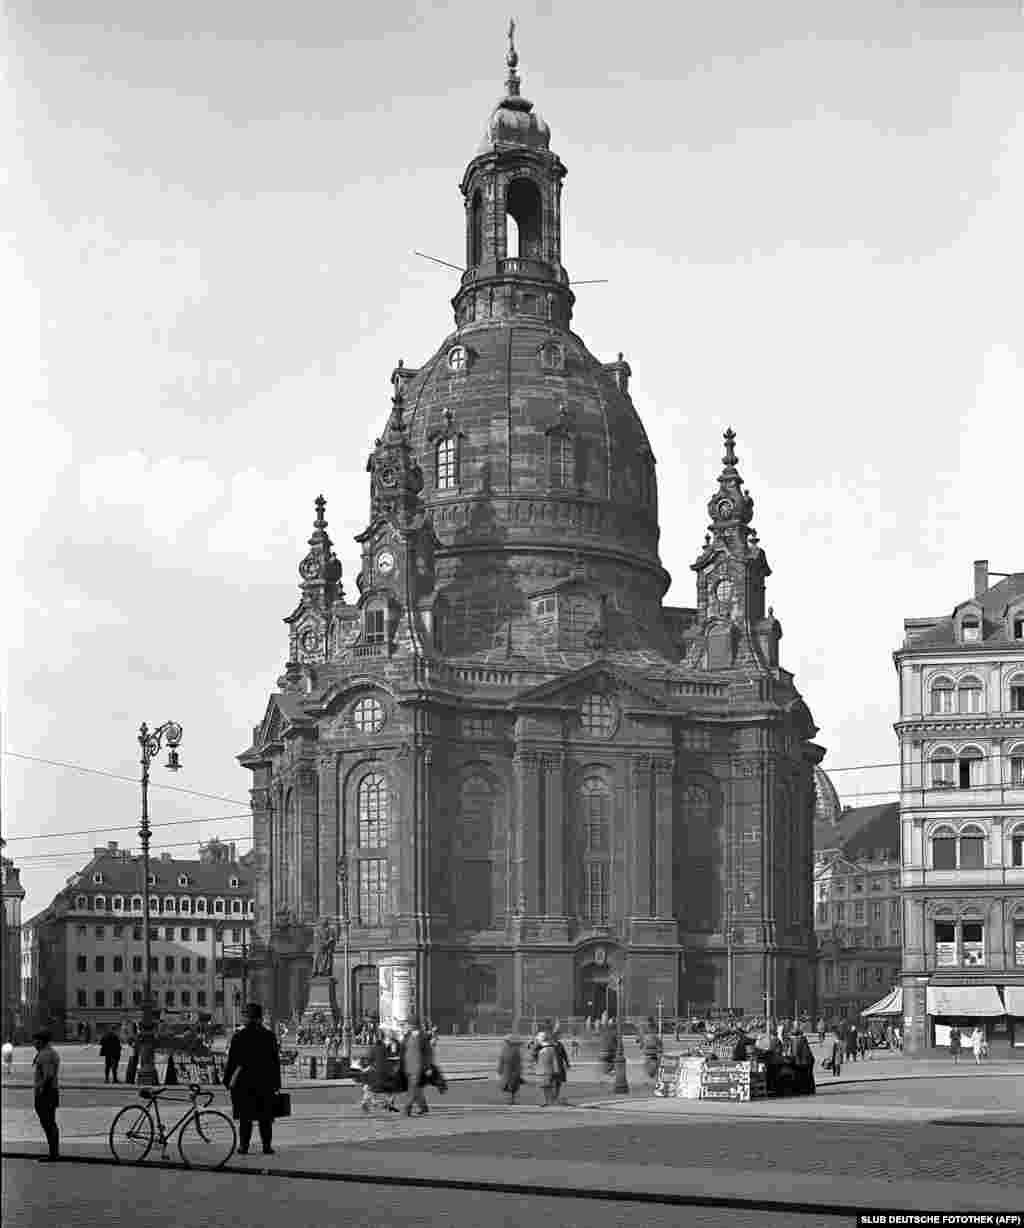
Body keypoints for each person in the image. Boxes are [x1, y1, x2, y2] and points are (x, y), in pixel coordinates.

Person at [223, 1003, 282, 1156]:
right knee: (265, 1118)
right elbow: (275, 1062)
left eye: (244, 1015)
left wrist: (227, 1081)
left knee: (245, 1117)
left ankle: (244, 1146)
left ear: (247, 1017)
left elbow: (232, 1062)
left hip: (245, 1083)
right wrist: (276, 1084)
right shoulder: (269, 1035)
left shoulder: (239, 1036)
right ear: (260, 1018)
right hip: (265, 1082)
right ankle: (267, 1146)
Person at [32, 1029, 60, 1161]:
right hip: (51, 1091)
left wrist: (41, 1089)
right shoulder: (50, 1052)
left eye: (35, 1041)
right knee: (50, 1123)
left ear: (41, 1041)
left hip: (46, 1093)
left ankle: (53, 1154)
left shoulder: (45, 1055)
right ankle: (53, 1152)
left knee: (48, 1123)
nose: (34, 1044)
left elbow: (48, 1075)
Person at [400, 1018, 432, 1116]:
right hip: (408, 1066)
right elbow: (402, 1050)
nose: (407, 1026)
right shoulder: (407, 1035)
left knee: (412, 1088)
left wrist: (428, 1067)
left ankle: (407, 1108)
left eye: (408, 1024)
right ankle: (423, 1107)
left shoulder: (422, 1037)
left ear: (413, 1025)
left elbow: (428, 1053)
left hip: (418, 1066)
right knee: (415, 1087)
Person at [497, 1035, 523, 1105]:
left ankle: (510, 1100)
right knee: (512, 1087)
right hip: (512, 1071)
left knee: (509, 1087)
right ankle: (510, 1100)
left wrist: (500, 1069)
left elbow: (501, 1061)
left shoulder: (504, 1050)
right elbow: (518, 1063)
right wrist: (519, 1071)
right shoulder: (515, 1050)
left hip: (507, 1071)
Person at [535, 1031, 559, 1106]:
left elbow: (533, 1057)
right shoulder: (550, 1048)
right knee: (547, 1087)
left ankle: (546, 1102)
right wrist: (556, 1071)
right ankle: (549, 1102)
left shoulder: (543, 1049)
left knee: (543, 1087)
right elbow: (555, 1061)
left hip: (543, 1071)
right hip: (547, 1071)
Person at [791, 1028, 815, 1096]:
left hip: (802, 1062)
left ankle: (802, 1090)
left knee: (801, 1076)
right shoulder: (803, 1039)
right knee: (809, 1076)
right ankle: (810, 1089)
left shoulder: (796, 1040)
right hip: (809, 1060)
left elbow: (795, 1053)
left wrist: (792, 1059)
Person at [551, 1032, 570, 1103]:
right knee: (552, 1081)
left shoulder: (560, 1045)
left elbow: (564, 1055)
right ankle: (552, 1096)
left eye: (557, 1037)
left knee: (558, 1083)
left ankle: (555, 1096)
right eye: (556, 1037)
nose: (557, 1038)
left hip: (560, 1066)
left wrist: (567, 1064)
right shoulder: (550, 1045)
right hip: (552, 1066)